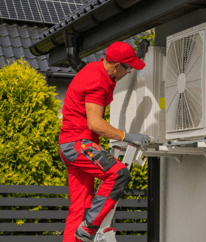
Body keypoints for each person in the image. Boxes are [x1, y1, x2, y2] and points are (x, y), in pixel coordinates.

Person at [58, 41, 151, 242]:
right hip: (79, 144)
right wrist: (127, 136)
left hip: (70, 144)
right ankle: (89, 229)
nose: (128, 73)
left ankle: (82, 228)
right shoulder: (97, 81)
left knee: (80, 207)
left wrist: (137, 58)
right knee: (119, 174)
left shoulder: (97, 70)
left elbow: (121, 71)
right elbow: (95, 124)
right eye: (127, 68)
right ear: (116, 65)